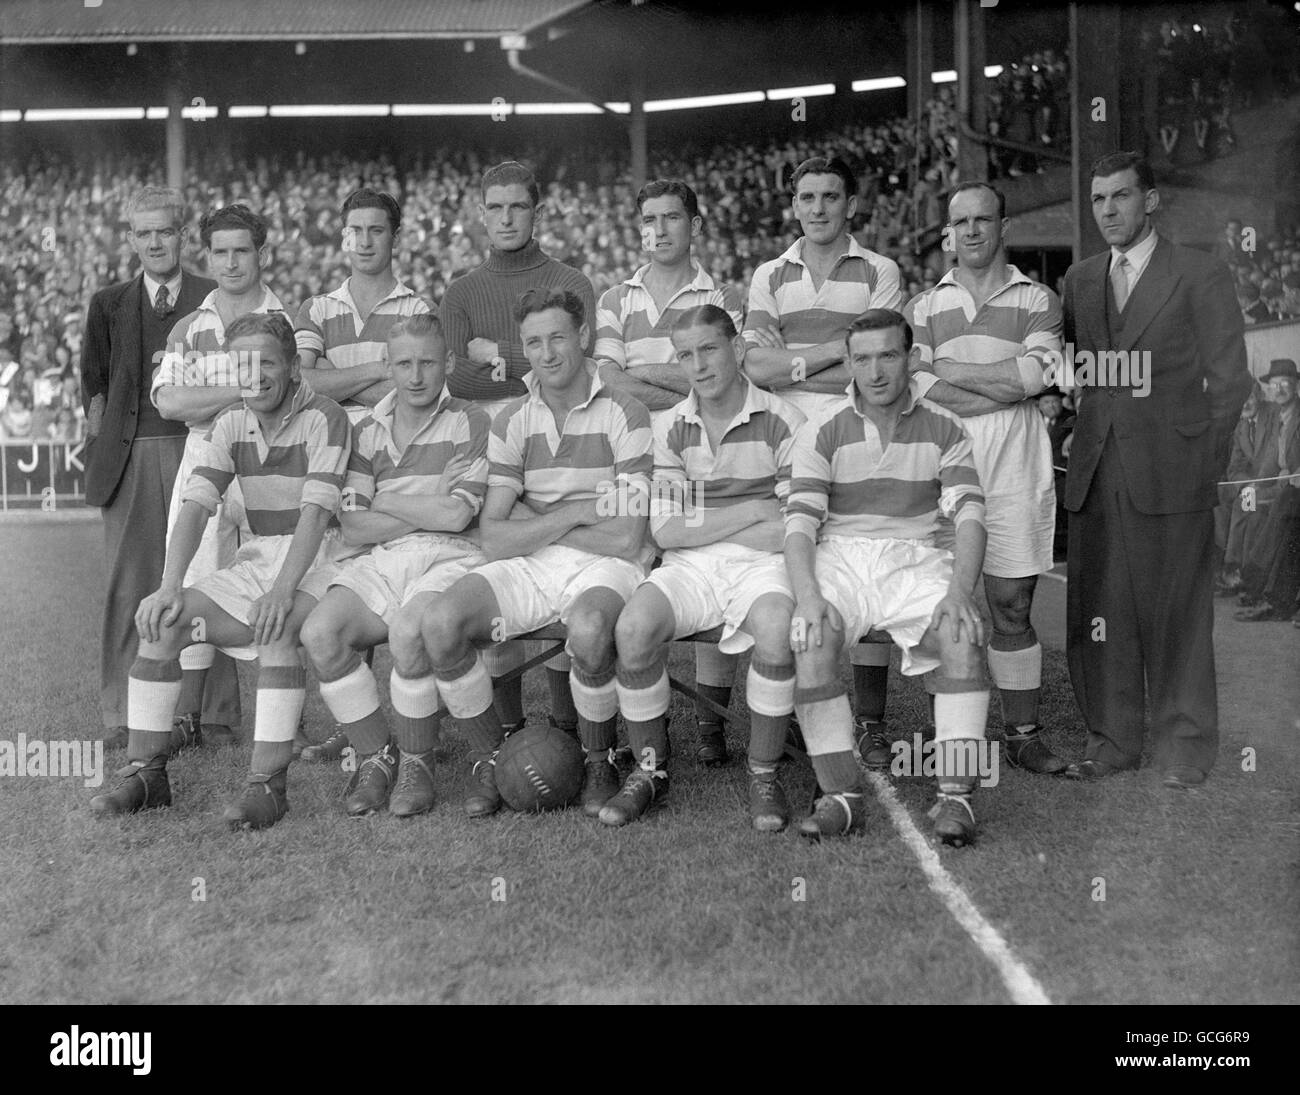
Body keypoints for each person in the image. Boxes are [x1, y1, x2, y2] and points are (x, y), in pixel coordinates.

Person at [89, 313, 350, 828]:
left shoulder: (326, 416)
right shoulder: (231, 420)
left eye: (267, 363)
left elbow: (317, 516)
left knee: (276, 627)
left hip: (322, 561)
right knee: (164, 622)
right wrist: (169, 586)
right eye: (243, 365)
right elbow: (196, 505)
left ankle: (267, 787)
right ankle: (147, 774)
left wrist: (281, 591)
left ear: (294, 367)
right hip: (260, 558)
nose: (255, 376)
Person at [417, 289, 651, 820]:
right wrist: (575, 513)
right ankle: (490, 760)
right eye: (533, 342)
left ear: (584, 336)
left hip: (607, 564)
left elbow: (626, 538)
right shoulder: (513, 419)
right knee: (440, 623)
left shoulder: (628, 413)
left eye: (558, 338)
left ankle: (598, 760)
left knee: (589, 629)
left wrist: (536, 518)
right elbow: (494, 538)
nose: (547, 354)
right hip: (533, 562)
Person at [1061, 151, 1252, 789]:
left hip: (1175, 473)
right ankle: (1113, 741)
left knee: (1180, 615)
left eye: (1120, 196)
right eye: (1098, 199)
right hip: (1098, 471)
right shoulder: (1080, 279)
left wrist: (1199, 460)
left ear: (1150, 200)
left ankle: (1185, 747)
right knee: (1102, 612)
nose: (1107, 210)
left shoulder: (1199, 272)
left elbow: (1230, 381)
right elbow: (1083, 373)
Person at [784, 310, 989, 843]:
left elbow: (970, 515)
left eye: (888, 356)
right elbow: (800, 524)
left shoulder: (946, 425)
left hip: (914, 555)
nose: (875, 372)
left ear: (911, 358)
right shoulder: (822, 426)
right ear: (848, 363)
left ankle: (956, 797)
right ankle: (841, 797)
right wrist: (806, 596)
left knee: (963, 632)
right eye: (862, 359)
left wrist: (960, 592)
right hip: (841, 555)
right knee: (811, 634)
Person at [608, 305, 804, 830]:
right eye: (685, 355)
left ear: (737, 349)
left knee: (777, 629)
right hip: (690, 563)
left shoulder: (786, 420)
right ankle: (650, 769)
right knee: (633, 628)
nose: (698, 365)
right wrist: (752, 509)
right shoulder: (670, 425)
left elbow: (792, 529)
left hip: (763, 563)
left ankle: (763, 772)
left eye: (709, 349)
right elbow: (666, 531)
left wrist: (711, 522)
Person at [741, 155, 904, 758]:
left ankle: (871, 720)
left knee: (863, 558)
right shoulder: (769, 275)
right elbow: (755, 366)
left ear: (851, 204)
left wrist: (796, 360)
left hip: (858, 433)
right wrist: (840, 350)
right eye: (806, 197)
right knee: (793, 565)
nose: (818, 208)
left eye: (830, 197)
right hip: (784, 439)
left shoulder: (880, 270)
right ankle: (787, 708)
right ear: (793, 206)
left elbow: (879, 365)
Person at [299, 314, 490, 817]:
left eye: (428, 362)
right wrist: (430, 498)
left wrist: (386, 499)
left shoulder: (471, 419)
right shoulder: (366, 430)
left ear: (449, 363)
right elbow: (353, 527)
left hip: (451, 554)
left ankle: (417, 763)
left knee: (409, 631)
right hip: (383, 557)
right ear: (387, 364)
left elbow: (457, 517)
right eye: (404, 364)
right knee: (320, 633)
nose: (416, 376)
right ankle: (376, 756)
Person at [906, 182, 1067, 775]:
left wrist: (949, 369)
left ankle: (1021, 733)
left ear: (1004, 227)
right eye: (960, 222)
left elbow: (1037, 377)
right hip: (940, 459)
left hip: (1015, 459)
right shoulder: (923, 306)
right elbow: (917, 386)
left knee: (1011, 601)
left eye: (983, 219)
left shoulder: (1038, 298)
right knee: (938, 600)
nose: (971, 231)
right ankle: (948, 729)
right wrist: (1003, 384)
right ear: (949, 233)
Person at [439, 162, 597, 741]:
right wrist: (525, 361)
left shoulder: (572, 282)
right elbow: (456, 378)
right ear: (481, 214)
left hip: (562, 436)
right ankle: (508, 723)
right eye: (496, 208)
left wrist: (497, 353)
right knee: (500, 568)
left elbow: (578, 363)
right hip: (490, 440)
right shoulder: (461, 291)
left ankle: (565, 718)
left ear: (537, 212)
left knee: (560, 559)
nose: (507, 218)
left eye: (518, 207)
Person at [595, 178, 745, 766]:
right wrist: (685, 378)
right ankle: (632, 732)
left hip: (703, 451)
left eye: (672, 218)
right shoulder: (616, 299)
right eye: (649, 220)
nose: (659, 230)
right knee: (629, 579)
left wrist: (645, 374)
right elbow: (608, 382)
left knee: (706, 568)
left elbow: (723, 379)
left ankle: (710, 724)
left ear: (695, 225)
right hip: (629, 456)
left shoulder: (723, 296)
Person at [293, 187, 433, 761]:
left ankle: (414, 719)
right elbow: (304, 383)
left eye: (378, 229)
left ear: (395, 237)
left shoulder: (417, 309)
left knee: (389, 577)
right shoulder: (317, 309)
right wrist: (380, 369)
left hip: (394, 460)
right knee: (337, 579)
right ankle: (353, 725)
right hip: (329, 457)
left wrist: (339, 374)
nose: (366, 240)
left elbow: (417, 387)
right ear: (343, 236)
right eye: (356, 230)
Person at [80, 187, 216, 751]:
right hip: (132, 453)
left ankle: (206, 714)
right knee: (130, 586)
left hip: (201, 449)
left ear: (182, 235)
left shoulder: (213, 295)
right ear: (132, 239)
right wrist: (105, 447)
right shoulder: (108, 303)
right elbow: (94, 385)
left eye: (165, 231)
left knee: (203, 581)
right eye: (144, 233)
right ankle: (122, 711)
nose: (155, 242)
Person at [153, 203, 287, 748]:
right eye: (221, 252)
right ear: (206, 256)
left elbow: (292, 395)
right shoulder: (190, 326)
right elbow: (169, 402)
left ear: (261, 254)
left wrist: (209, 399)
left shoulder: (287, 322)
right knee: (194, 578)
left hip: (271, 460)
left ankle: (287, 722)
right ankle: (190, 716)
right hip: (204, 458)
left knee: (278, 582)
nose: (231, 263)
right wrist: (243, 389)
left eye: (242, 251)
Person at [1234, 359, 1300, 622]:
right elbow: (1270, 462)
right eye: (1274, 384)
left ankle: (1263, 591)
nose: (1279, 389)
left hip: (1294, 487)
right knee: (1253, 503)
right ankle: (1253, 584)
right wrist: (1254, 486)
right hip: (1283, 486)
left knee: (1282, 508)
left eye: (1285, 383)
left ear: (1296, 386)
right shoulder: (1280, 418)